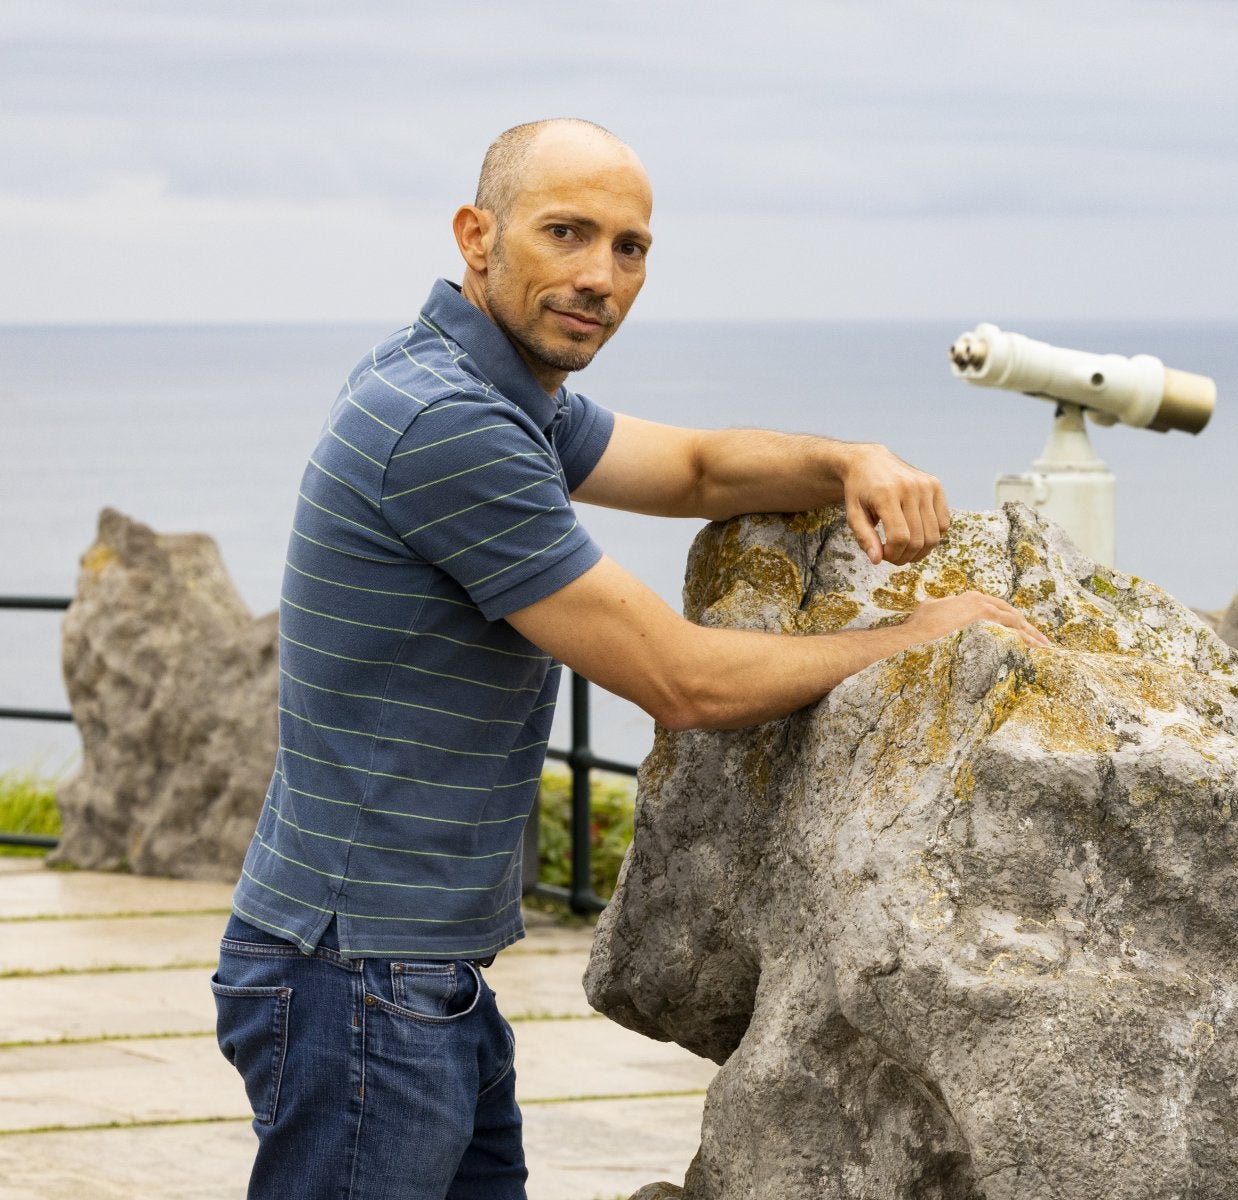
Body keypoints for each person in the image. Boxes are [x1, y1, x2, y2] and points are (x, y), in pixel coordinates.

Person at [210, 118, 1048, 1200]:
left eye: (630, 248)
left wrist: (852, 459)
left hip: (409, 970)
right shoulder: (445, 422)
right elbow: (681, 680)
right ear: (478, 235)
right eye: (567, 233)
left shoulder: (500, 392)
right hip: (361, 976)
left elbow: (696, 471)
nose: (600, 276)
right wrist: (913, 639)